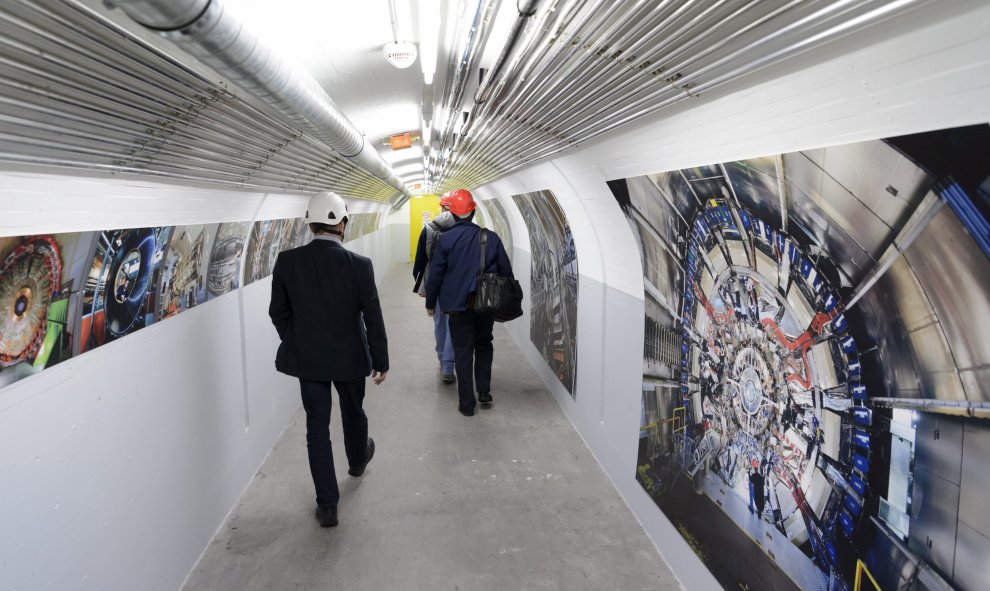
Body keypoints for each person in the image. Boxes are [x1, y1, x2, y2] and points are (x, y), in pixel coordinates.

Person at [268, 191, 389, 528]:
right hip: (350, 358)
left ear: (312, 224)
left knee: (316, 429)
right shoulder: (359, 266)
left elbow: (278, 312)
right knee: (353, 412)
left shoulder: (287, 261)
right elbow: (372, 317)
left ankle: (328, 505)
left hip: (309, 362)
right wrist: (381, 360)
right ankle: (356, 460)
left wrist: (296, 340)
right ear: (343, 224)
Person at [425, 189, 513, 417]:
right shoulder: (491, 238)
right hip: (485, 304)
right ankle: (484, 390)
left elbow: (436, 274)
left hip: (457, 306)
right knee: (484, 344)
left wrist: (431, 302)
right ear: (473, 211)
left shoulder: (446, 240)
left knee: (463, 351)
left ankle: (467, 404)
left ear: (452, 214)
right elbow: (506, 273)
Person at [412, 193, 457, 383]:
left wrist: (423, 284)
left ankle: (441, 357)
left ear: (442, 208)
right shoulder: (463, 230)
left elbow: (420, 261)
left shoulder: (428, 229)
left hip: (435, 283)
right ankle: (449, 366)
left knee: (439, 322)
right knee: (453, 324)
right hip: (457, 284)